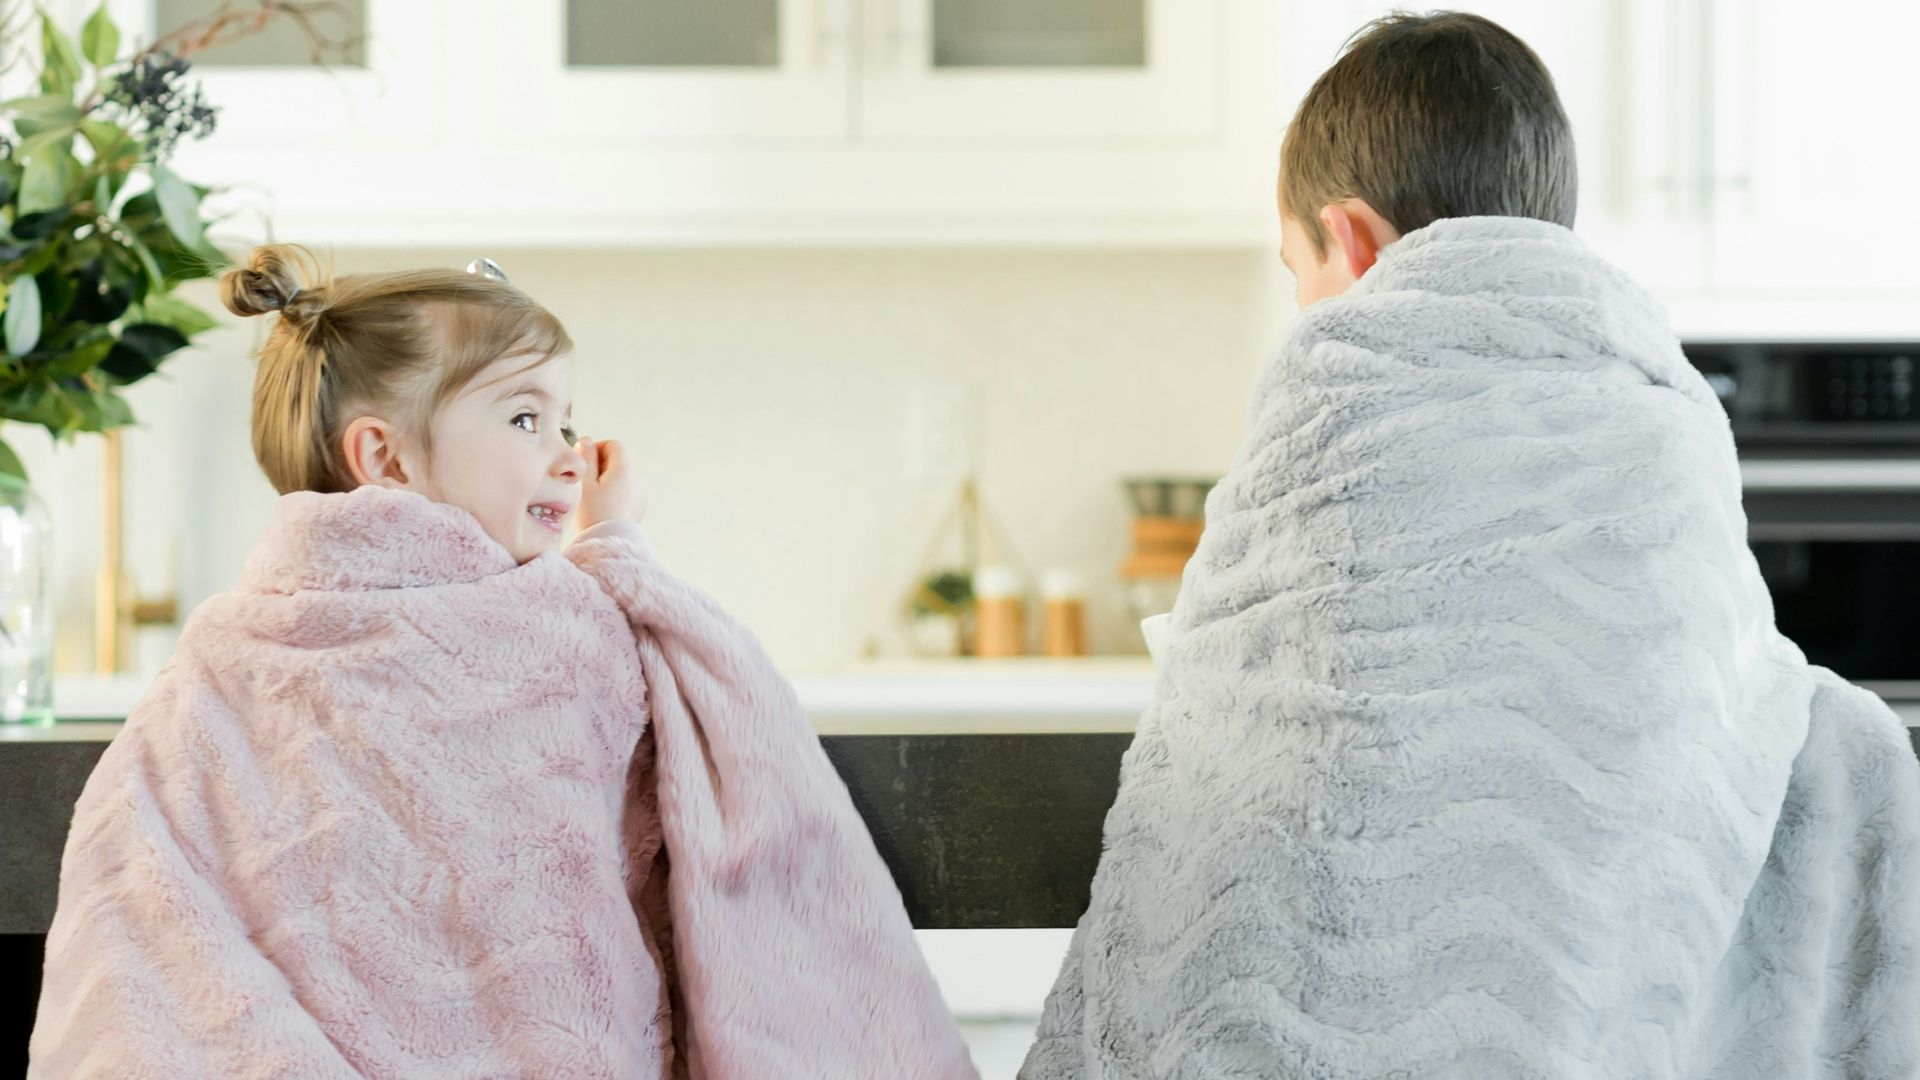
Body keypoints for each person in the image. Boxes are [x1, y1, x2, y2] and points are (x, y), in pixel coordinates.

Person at [1023, 13, 1920, 1077]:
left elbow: (1253, 694)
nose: (1308, 308)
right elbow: (1735, 687)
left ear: (1349, 241)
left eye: (1296, 268)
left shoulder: (1336, 397)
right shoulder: (1667, 417)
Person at [30, 246, 976, 1078]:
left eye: (567, 423)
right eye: (527, 420)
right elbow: (730, 698)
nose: (567, 456)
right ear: (386, 460)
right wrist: (621, 552)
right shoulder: (577, 625)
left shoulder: (220, 655)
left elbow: (137, 914)